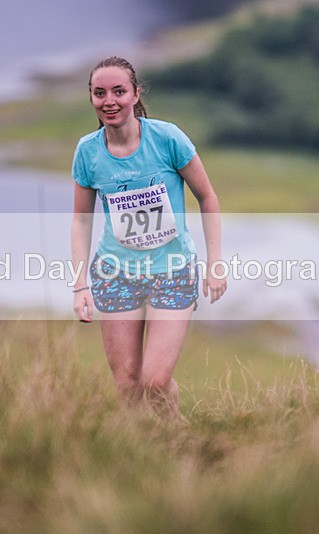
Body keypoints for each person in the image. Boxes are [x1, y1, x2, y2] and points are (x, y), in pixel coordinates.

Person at [71, 56, 226, 417]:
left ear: (135, 93)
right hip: (116, 273)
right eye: (99, 93)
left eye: (119, 91)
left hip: (171, 269)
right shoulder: (87, 152)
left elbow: (208, 197)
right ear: (91, 99)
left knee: (154, 381)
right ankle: (150, 452)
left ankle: (176, 437)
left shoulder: (167, 138)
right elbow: (80, 221)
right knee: (127, 385)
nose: (109, 101)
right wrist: (81, 285)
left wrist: (215, 263)